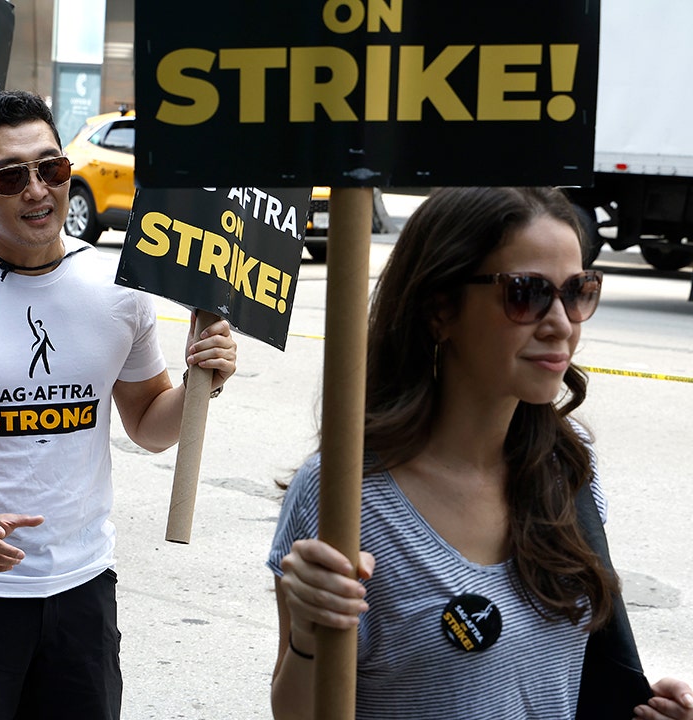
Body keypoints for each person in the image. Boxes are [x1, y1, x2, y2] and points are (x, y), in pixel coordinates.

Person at [0, 90, 238, 718]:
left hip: (84, 592)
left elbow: (150, 424)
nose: (38, 190)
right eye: (12, 175)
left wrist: (200, 382)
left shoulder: (119, 287)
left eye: (53, 168)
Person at [268, 187, 693, 720]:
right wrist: (310, 633)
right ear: (440, 308)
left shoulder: (567, 465)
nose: (561, 322)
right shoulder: (344, 492)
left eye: (578, 290)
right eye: (526, 293)